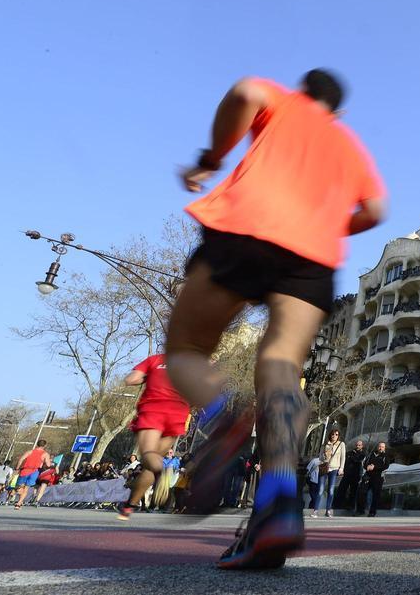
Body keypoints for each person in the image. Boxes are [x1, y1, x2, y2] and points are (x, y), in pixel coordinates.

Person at [164, 69, 385, 569]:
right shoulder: (349, 143)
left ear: (304, 91)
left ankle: (222, 418)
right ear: (340, 111)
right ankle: (279, 506)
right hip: (314, 256)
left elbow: (244, 93)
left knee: (186, 350)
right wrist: (332, 223)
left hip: (245, 227)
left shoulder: (281, 100)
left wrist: (210, 159)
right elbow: (375, 207)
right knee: (283, 364)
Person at [117, 353, 191, 521]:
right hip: (177, 414)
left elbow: (131, 379)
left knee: (150, 458)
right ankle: (130, 505)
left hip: (153, 410)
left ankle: (159, 471)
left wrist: (146, 376)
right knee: (151, 463)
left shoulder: (156, 359)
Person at [312, 430, 345, 519]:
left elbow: (343, 457)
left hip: (334, 468)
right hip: (324, 468)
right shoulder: (325, 444)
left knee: (331, 490)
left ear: (338, 436)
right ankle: (315, 510)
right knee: (320, 490)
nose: (334, 436)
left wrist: (341, 468)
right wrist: (325, 455)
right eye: (333, 434)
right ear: (330, 435)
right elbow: (320, 457)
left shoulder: (341, 444)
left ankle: (328, 510)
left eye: (336, 434)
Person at [13, 440, 52, 509]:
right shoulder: (45, 454)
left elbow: (21, 459)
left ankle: (19, 502)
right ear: (45, 446)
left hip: (25, 470)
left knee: (20, 487)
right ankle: (19, 503)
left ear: (37, 444)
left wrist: (17, 468)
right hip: (34, 472)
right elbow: (48, 464)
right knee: (26, 488)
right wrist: (44, 463)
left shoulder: (30, 451)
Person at [334, 440, 366, 511]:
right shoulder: (350, 452)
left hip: (355, 475)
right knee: (341, 489)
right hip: (347, 474)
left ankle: (350, 506)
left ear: (362, 446)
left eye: (359, 445)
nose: (357, 446)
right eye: (357, 445)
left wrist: (352, 457)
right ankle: (337, 505)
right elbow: (344, 460)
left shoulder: (362, 454)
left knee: (353, 491)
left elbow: (357, 460)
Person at [360, 442, 389, 517]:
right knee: (362, 492)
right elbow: (364, 463)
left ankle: (372, 512)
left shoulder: (385, 456)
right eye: (379, 446)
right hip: (368, 476)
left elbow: (386, 466)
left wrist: (374, 467)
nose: (380, 448)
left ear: (384, 448)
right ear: (377, 447)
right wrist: (367, 466)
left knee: (375, 495)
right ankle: (360, 510)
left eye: (382, 447)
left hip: (378, 478)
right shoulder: (371, 454)